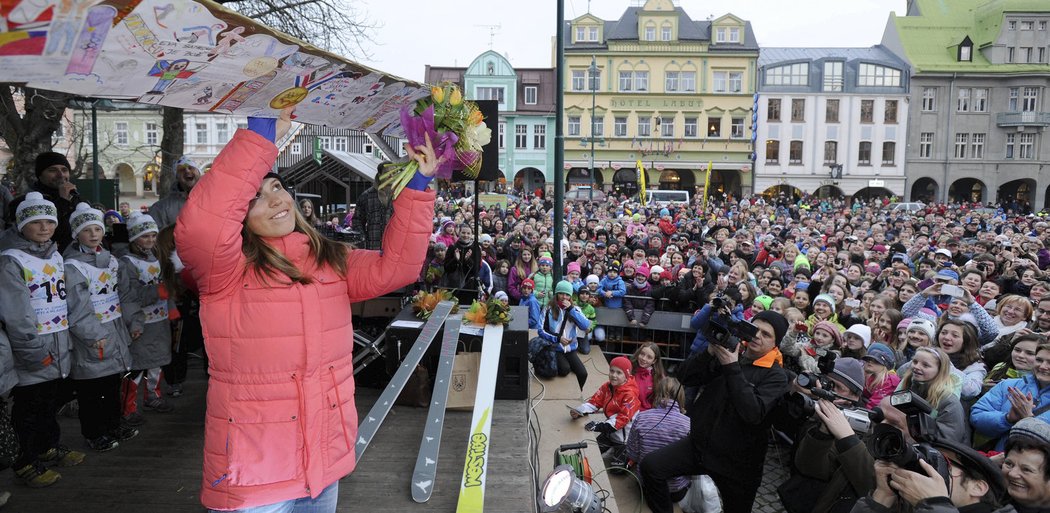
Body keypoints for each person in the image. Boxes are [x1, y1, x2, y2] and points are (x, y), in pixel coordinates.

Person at [175, 110, 437, 512]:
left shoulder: (329, 259)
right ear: (238, 217)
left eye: (277, 186)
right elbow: (201, 228)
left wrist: (417, 185)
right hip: (255, 472)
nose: (275, 199)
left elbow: (398, 267)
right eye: (255, 197)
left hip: (322, 460)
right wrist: (259, 140)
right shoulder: (225, 271)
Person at [639, 310, 791, 513]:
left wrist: (732, 366)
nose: (757, 336)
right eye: (754, 329)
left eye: (766, 334)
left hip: (739, 464)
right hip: (701, 446)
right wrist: (709, 352)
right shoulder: (729, 352)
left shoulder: (777, 375)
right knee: (651, 467)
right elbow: (684, 376)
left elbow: (752, 413)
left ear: (776, 343)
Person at [0, 192, 85, 488]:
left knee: (48, 402)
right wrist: (33, 351)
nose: (44, 227)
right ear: (22, 224)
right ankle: (25, 461)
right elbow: (16, 312)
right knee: (29, 408)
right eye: (36, 221)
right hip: (33, 348)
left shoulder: (55, 254)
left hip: (58, 343)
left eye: (49, 220)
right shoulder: (11, 260)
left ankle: (48, 445)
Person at [62, 203, 137, 451]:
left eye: (97, 228)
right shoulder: (72, 267)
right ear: (76, 234)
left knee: (111, 384)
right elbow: (76, 306)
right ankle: (94, 432)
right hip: (92, 336)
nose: (94, 234)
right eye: (86, 230)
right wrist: (94, 334)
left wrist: (131, 323)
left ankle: (112, 424)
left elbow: (124, 296)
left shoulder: (112, 261)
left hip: (113, 329)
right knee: (91, 388)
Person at [786, 357, 875, 513]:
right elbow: (782, 421)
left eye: (836, 387)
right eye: (826, 382)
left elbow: (815, 467)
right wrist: (795, 390)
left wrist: (826, 429)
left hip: (820, 499)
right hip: (797, 486)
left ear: (854, 397)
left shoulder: (859, 426)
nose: (828, 389)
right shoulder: (815, 402)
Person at [971, 341, 1050, 452]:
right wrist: (1007, 418)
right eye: (1039, 360)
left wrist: (1028, 421)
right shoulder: (1009, 385)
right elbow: (977, 416)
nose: (1042, 366)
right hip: (996, 459)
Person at [624, 377, 690, 503]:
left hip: (646, 487)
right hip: (675, 492)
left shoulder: (641, 417)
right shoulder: (688, 424)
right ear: (681, 396)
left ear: (657, 393)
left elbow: (632, 454)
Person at [5, 152, 81, 251]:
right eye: (52, 170)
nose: (60, 175)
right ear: (40, 175)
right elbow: (47, 233)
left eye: (64, 170)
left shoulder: (75, 198)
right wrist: (63, 201)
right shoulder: (24, 202)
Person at [570, 355, 639, 457]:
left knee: (617, 470)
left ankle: (626, 453)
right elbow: (594, 402)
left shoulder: (630, 395)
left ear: (627, 376)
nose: (614, 375)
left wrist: (598, 426)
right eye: (612, 371)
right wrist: (580, 411)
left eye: (619, 372)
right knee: (590, 454)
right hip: (609, 431)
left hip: (624, 438)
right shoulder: (607, 386)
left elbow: (621, 420)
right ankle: (611, 446)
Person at [536, 281, 590, 389]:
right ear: (556, 294)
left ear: (570, 296)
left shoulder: (576, 309)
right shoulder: (548, 309)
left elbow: (585, 325)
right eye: (561, 293)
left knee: (583, 373)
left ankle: (579, 393)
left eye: (567, 294)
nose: (564, 297)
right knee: (565, 369)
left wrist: (571, 310)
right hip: (555, 347)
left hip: (570, 348)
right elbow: (540, 330)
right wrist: (557, 338)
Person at [350, 165, 395, 250]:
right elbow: (357, 220)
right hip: (373, 246)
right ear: (379, 175)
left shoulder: (401, 195)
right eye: (387, 173)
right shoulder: (366, 196)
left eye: (393, 173)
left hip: (395, 247)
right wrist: (363, 237)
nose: (390, 176)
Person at [149, 156, 201, 229]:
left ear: (199, 173)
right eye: (181, 169)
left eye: (191, 167)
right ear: (177, 176)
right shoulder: (160, 208)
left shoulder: (214, 200)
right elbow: (157, 238)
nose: (187, 171)